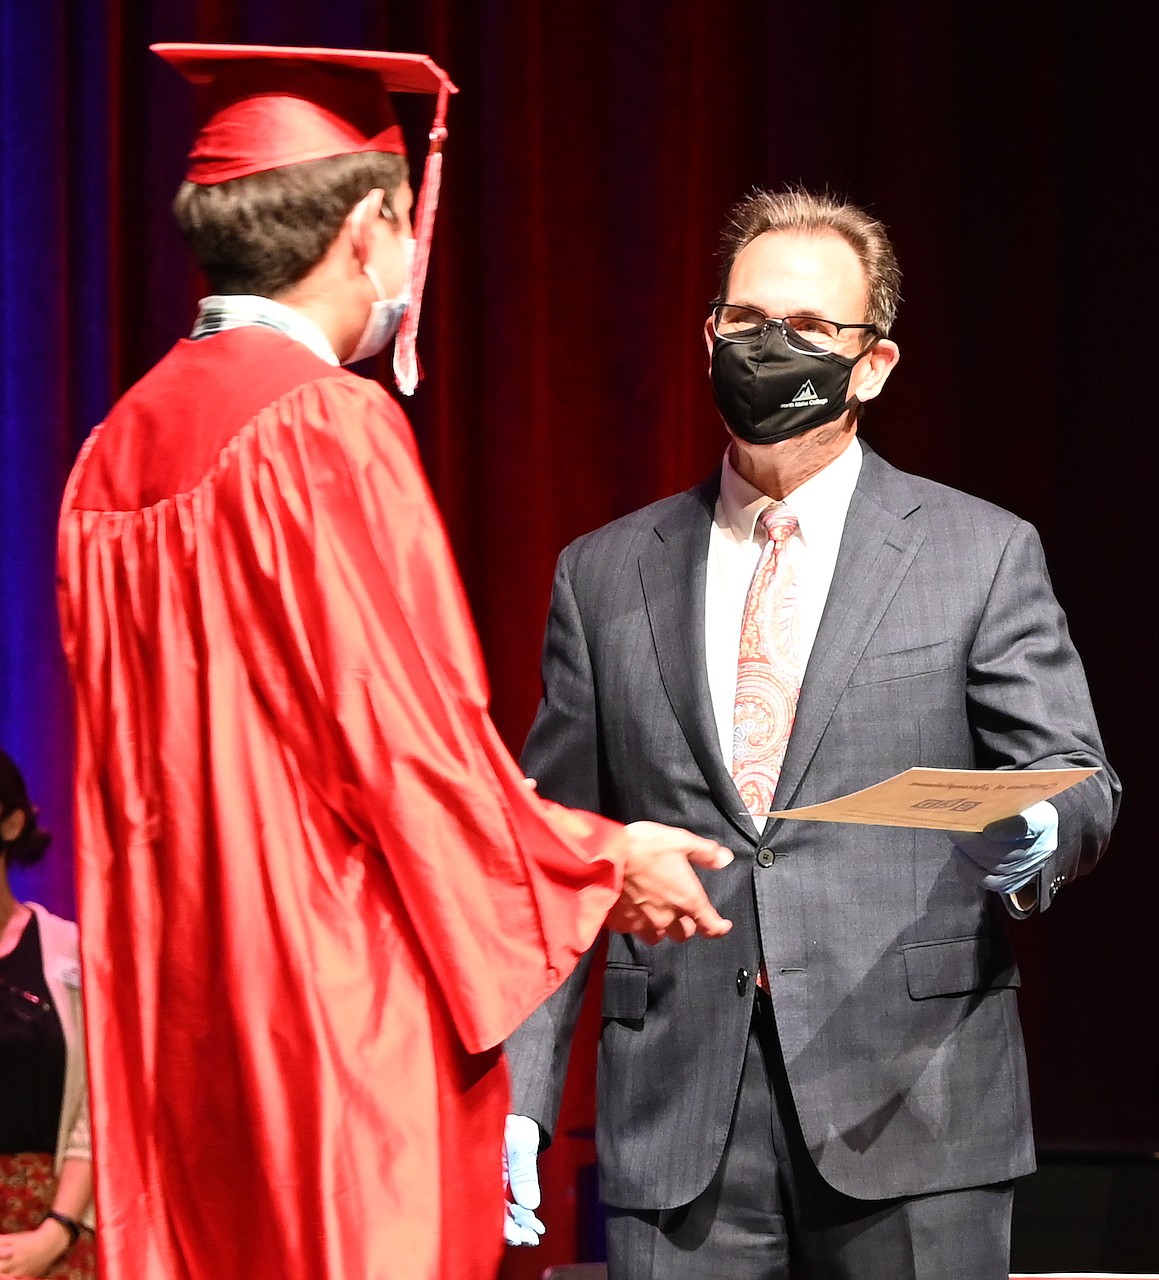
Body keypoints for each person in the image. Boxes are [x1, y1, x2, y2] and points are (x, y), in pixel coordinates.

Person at [55, 43, 734, 1280]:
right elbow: (403, 742)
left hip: (179, 1018)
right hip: (330, 1012)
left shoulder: (107, 455)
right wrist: (595, 856)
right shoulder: (324, 422)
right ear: (371, 227)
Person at [502, 188, 1120, 1279]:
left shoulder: (976, 551)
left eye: (807, 331)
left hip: (916, 1103)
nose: (767, 348)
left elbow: (1073, 772)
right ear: (707, 335)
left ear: (872, 364)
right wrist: (522, 1095)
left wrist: (1030, 825)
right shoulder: (604, 574)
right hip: (678, 1116)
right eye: (745, 322)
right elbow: (551, 846)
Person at [0, 748, 94, 1280]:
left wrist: (58, 1228)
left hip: (47, 1230)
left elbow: (97, 1106)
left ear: (11, 822)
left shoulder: (67, 952)